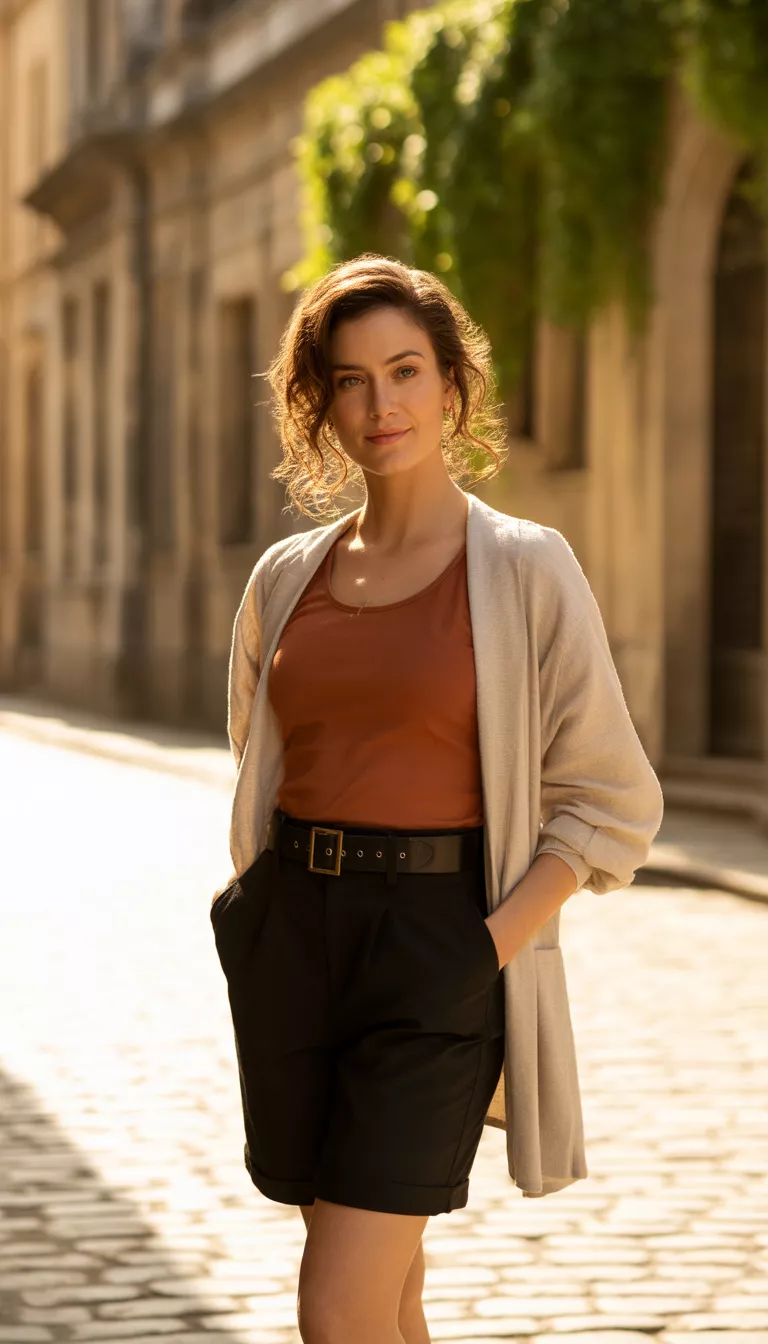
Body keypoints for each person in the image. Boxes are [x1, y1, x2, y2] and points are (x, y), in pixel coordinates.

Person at [209, 254, 664, 1344]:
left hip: (439, 946)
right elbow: (258, 753)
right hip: (295, 943)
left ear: (453, 388)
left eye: (406, 370)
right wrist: (256, 912)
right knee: (389, 1298)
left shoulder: (524, 568)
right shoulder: (285, 578)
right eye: (352, 380)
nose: (382, 403)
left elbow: (610, 799)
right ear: (320, 404)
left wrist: (484, 947)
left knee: (338, 1304)